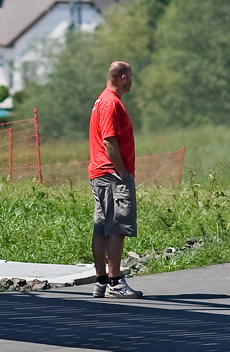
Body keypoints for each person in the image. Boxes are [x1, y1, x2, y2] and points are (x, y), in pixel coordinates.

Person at [88, 61, 142, 299]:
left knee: (101, 226)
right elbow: (109, 141)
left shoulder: (102, 100)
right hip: (111, 174)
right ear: (121, 77)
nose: (131, 81)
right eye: (129, 76)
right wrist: (122, 172)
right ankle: (115, 282)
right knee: (116, 227)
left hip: (100, 172)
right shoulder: (111, 102)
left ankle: (101, 281)